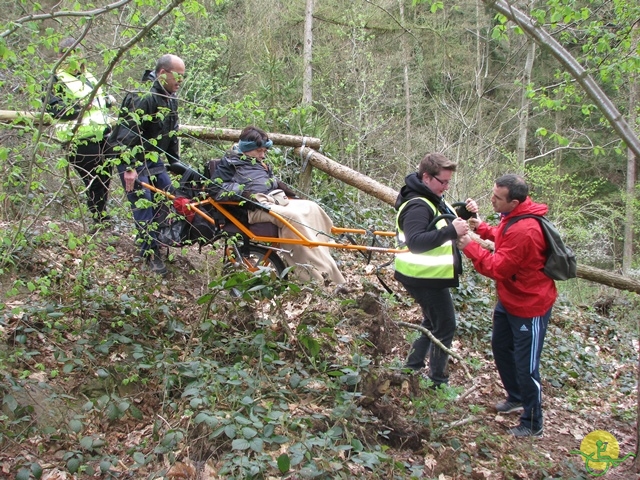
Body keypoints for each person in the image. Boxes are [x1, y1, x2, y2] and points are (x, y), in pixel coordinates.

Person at [458, 174, 557, 438]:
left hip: (530, 304)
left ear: (514, 201)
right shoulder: (514, 217)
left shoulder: (526, 230)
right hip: (510, 299)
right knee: (501, 347)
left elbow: (498, 267)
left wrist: (469, 246)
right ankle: (516, 396)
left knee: (527, 365)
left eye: (497, 198)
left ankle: (533, 422)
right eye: (492, 193)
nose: (491, 199)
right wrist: (482, 228)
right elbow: (503, 237)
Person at [211, 125, 346, 286]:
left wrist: (291, 193)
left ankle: (325, 255)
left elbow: (270, 181)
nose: (262, 155)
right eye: (259, 151)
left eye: (264, 151)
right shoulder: (230, 163)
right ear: (246, 149)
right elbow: (216, 189)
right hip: (251, 208)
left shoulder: (258, 162)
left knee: (311, 207)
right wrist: (246, 195)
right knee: (293, 218)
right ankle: (317, 279)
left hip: (273, 200)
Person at [394, 153, 476, 387]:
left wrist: (465, 215)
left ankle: (411, 367)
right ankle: (438, 381)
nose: (446, 187)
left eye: (449, 182)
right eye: (443, 182)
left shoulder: (431, 195)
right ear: (427, 177)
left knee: (433, 321)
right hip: (423, 277)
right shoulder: (418, 205)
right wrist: (452, 232)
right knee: (445, 325)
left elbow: (441, 221)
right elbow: (417, 242)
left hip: (427, 275)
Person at [107, 54, 186, 275]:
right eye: (177, 76)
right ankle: (149, 253)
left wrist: (175, 163)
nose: (180, 81)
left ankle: (158, 241)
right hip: (132, 159)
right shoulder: (143, 97)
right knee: (144, 204)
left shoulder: (171, 98)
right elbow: (126, 135)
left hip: (153, 159)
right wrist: (130, 169)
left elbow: (171, 134)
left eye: (183, 77)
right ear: (162, 74)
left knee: (169, 196)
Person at [46, 37, 115, 225]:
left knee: (105, 176)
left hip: (102, 134)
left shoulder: (90, 77)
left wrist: (107, 100)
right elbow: (54, 109)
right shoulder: (56, 80)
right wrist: (80, 108)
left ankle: (101, 215)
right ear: (62, 57)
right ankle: (97, 217)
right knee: (92, 178)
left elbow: (98, 103)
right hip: (79, 138)